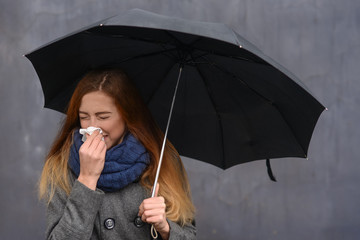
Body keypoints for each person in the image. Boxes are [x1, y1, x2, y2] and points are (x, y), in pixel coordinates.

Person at [38, 69, 196, 239]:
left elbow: (189, 235)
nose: (92, 127)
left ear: (128, 116)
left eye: (103, 117)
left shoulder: (162, 161)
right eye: (84, 117)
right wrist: (86, 179)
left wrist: (165, 228)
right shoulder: (61, 165)